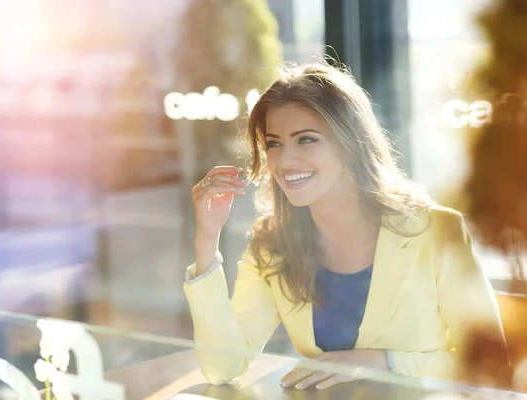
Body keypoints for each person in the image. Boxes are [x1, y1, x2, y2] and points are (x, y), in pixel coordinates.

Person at [184, 62, 507, 390]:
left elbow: (492, 363)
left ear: (350, 144)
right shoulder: (272, 245)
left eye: (306, 140)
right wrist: (207, 240)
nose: (285, 160)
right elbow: (222, 365)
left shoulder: (437, 231)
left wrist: (383, 362)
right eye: (274, 143)